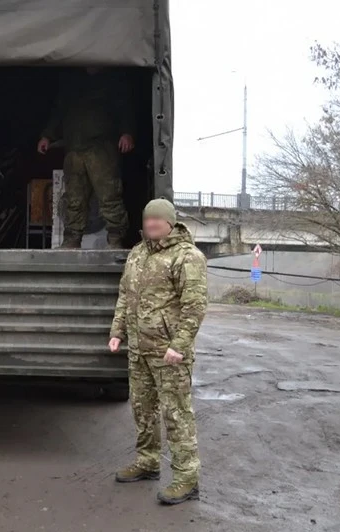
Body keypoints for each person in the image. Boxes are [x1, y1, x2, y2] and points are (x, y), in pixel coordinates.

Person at [107, 199, 208, 505]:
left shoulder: (188, 256)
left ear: (170, 222)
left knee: (176, 414)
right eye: (147, 219)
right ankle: (148, 461)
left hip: (168, 353)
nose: (151, 224)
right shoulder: (138, 253)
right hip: (139, 349)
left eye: (157, 220)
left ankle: (187, 479)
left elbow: (195, 305)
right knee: (143, 410)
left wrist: (179, 345)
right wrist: (117, 331)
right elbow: (126, 295)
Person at [38, 67, 136, 250]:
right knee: (74, 198)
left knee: (109, 196)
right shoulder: (71, 81)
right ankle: (72, 240)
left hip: (102, 147)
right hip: (74, 148)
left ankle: (115, 239)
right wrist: (47, 136)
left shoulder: (112, 80)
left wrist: (127, 132)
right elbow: (59, 111)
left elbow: (124, 107)